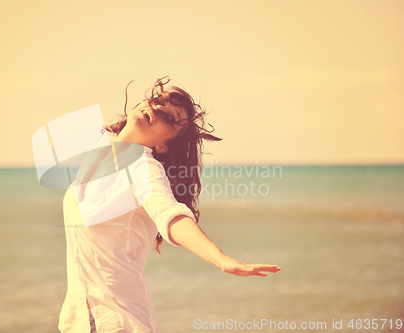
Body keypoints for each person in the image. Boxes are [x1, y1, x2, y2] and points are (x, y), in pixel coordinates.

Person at [58, 77, 281, 333]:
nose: (156, 110)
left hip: (119, 322)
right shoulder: (99, 151)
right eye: (157, 101)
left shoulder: (144, 170)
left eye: (171, 118)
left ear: (163, 144)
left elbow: (170, 215)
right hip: (76, 321)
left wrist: (220, 259)